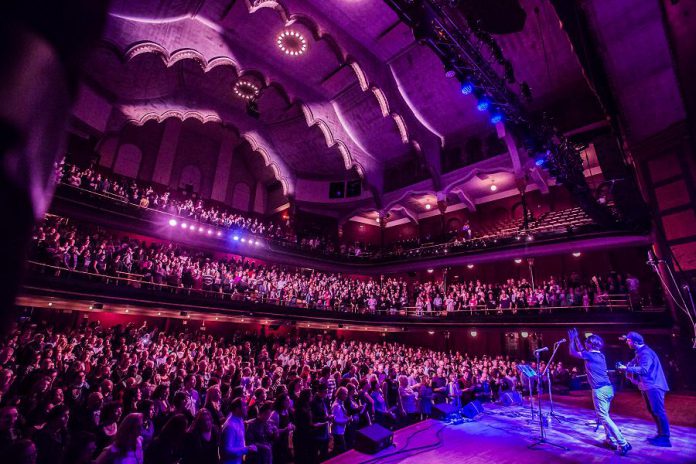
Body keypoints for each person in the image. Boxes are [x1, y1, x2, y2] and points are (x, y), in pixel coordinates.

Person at [568, 328, 631, 455]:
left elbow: (573, 352)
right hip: (608, 389)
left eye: (587, 342)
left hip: (600, 390)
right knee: (605, 416)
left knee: (603, 416)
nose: (585, 343)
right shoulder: (600, 355)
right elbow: (581, 349)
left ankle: (623, 443)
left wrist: (571, 339)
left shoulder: (589, 355)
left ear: (590, 344)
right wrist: (576, 339)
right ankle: (610, 440)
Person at [616, 331, 671, 447]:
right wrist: (626, 367)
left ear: (635, 342)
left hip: (654, 385)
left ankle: (665, 438)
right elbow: (632, 365)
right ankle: (661, 435)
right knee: (653, 411)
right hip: (648, 386)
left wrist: (626, 369)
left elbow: (644, 369)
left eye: (628, 340)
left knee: (658, 411)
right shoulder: (640, 353)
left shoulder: (645, 353)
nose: (627, 342)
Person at [220, 398, 256, 464]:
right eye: (244, 406)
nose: (247, 407)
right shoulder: (230, 426)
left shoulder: (240, 419)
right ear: (237, 409)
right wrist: (246, 449)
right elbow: (227, 450)